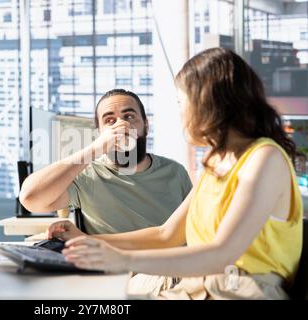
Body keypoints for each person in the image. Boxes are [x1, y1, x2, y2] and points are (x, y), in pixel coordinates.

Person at [47, 47, 303, 300]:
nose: (181, 113)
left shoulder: (264, 159)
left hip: (240, 289)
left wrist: (122, 259)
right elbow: (166, 235)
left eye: (183, 103)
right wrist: (88, 241)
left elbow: (221, 254)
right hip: (197, 284)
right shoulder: (216, 162)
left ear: (209, 104)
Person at [20, 89, 192, 234]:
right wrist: (95, 148)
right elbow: (30, 198)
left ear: (146, 126)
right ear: (100, 133)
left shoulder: (176, 173)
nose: (121, 125)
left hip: (171, 269)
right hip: (115, 272)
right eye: (109, 120)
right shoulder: (87, 176)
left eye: (129, 116)